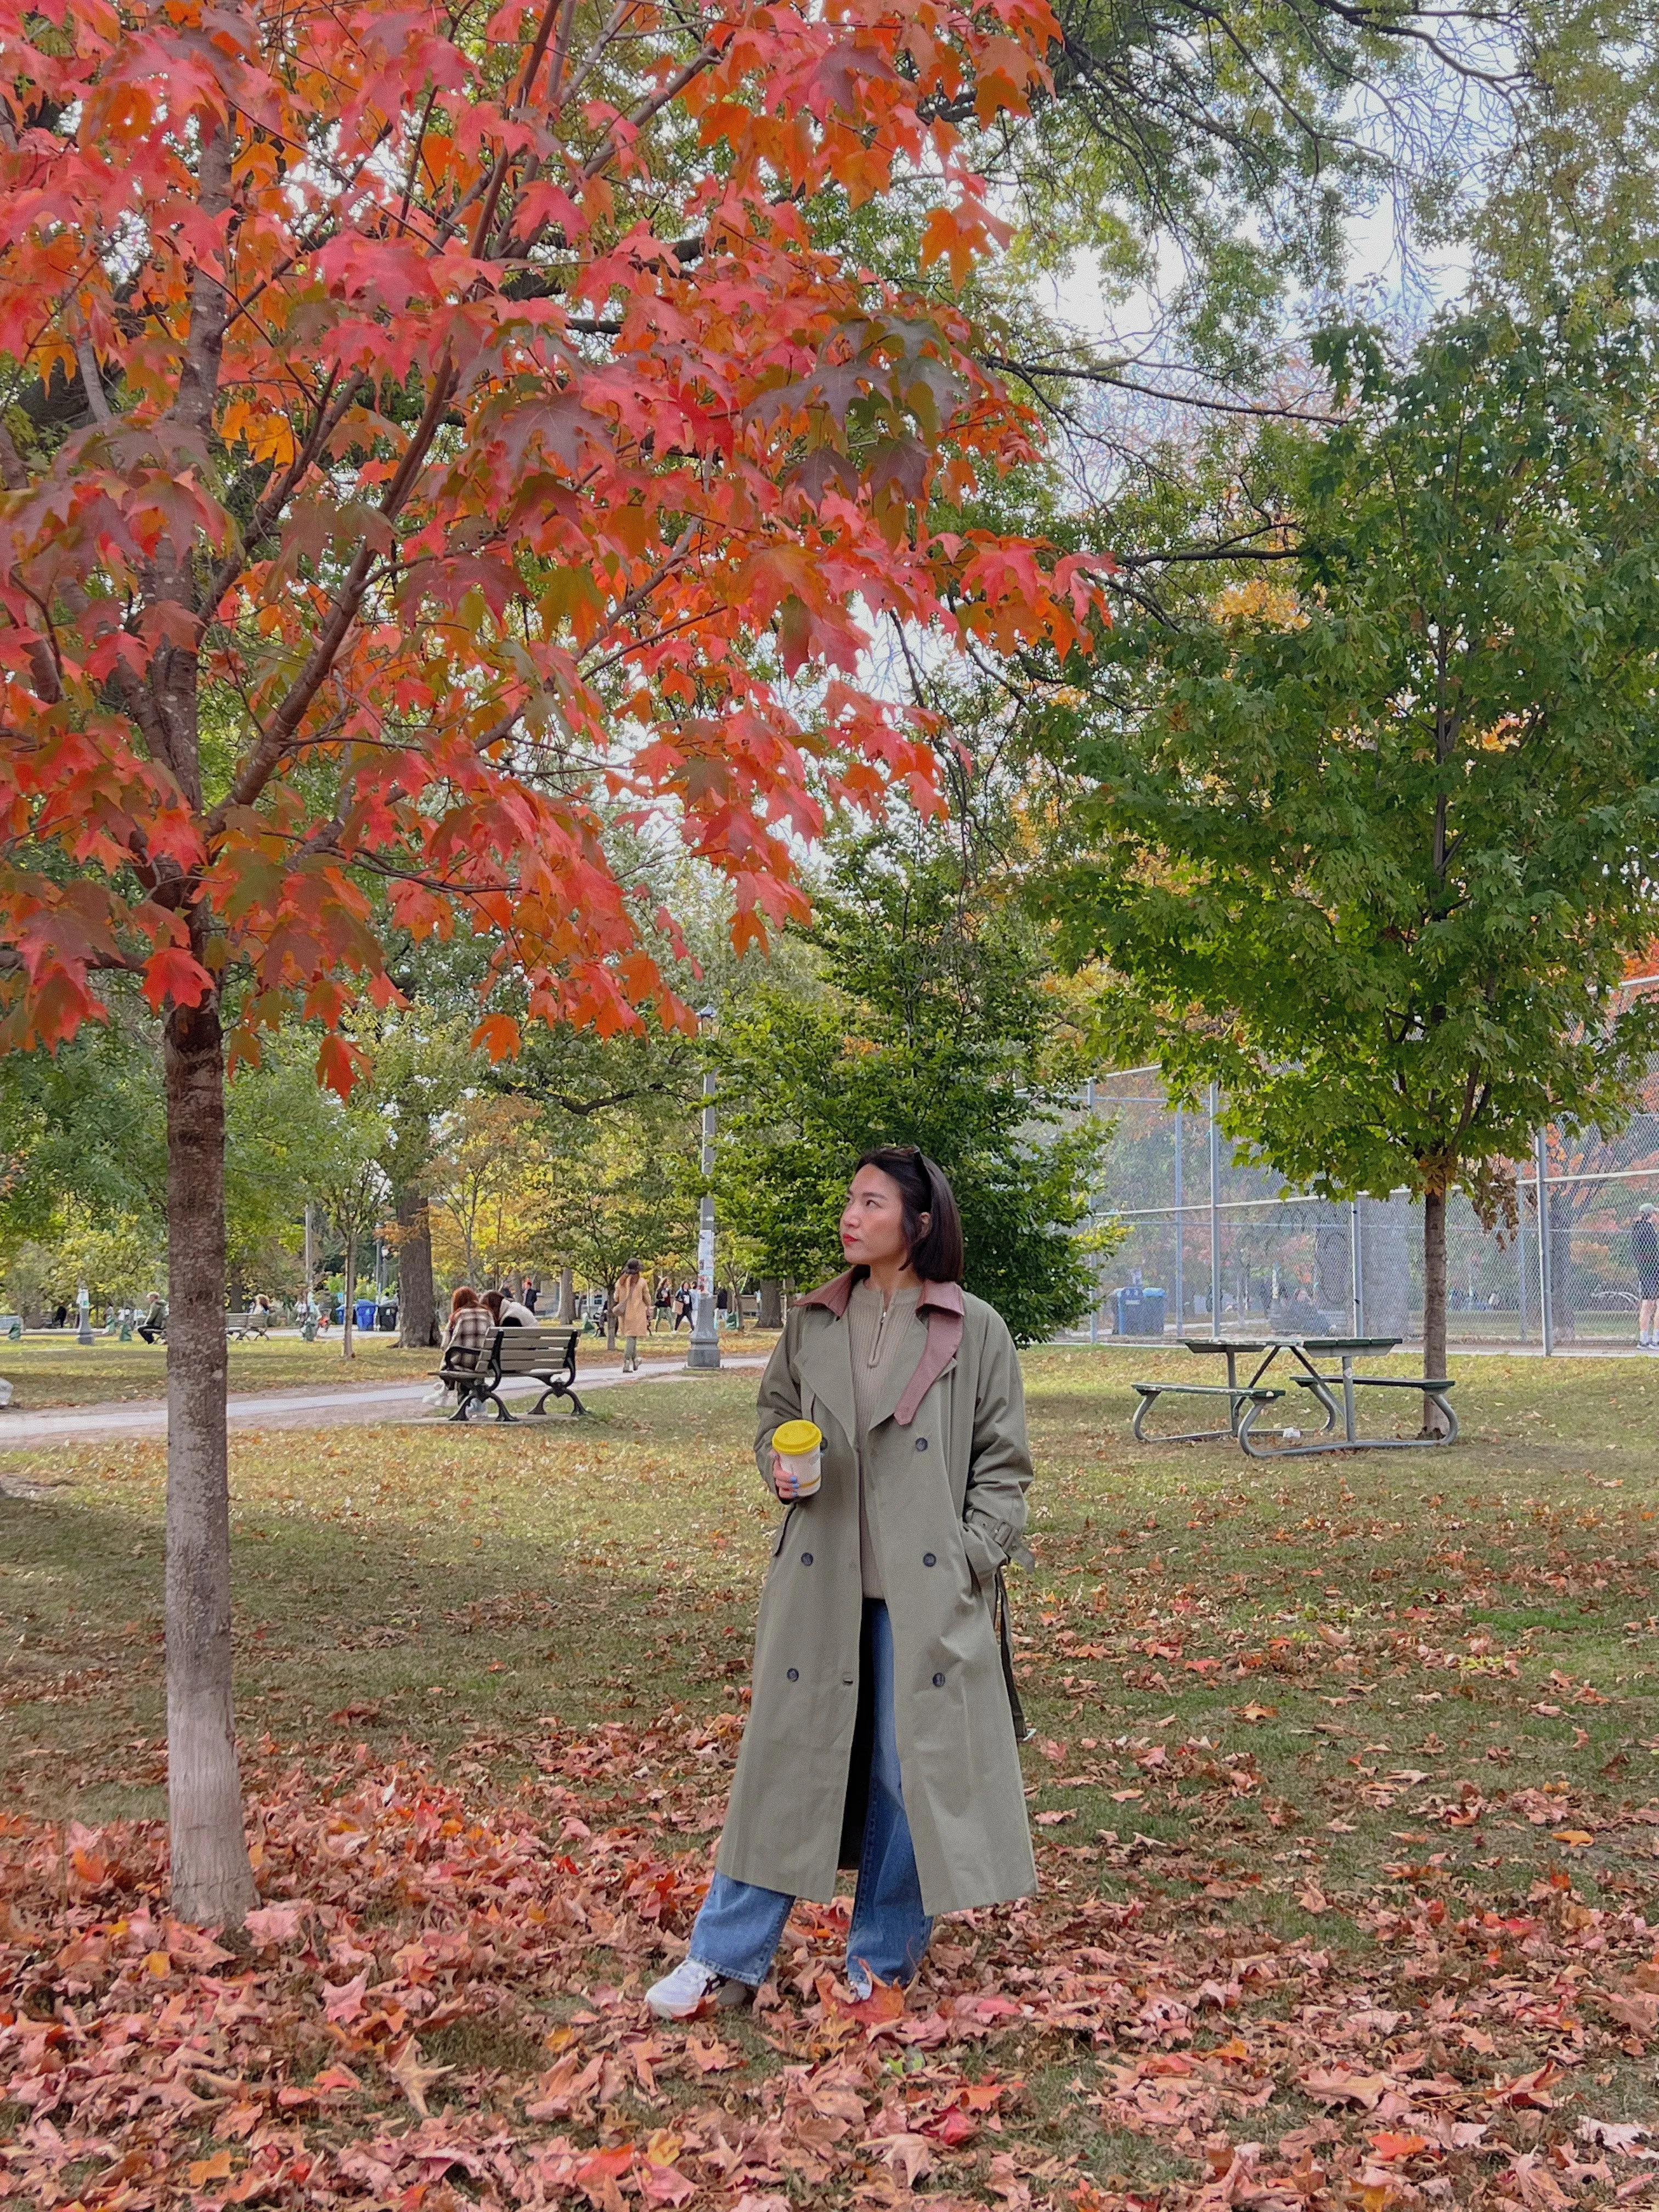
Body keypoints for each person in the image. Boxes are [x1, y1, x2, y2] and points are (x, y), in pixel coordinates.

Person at [646, 1147, 1036, 2021]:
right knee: (782, 1758)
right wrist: (779, 1473)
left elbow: (1005, 1468)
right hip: (819, 1580)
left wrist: (975, 1553)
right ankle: (725, 1957)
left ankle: (882, 1961)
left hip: (925, 1589)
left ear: (919, 1221)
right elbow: (774, 1421)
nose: (850, 1216)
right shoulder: (812, 1323)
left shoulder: (977, 1330)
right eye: (849, 1199)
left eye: (870, 1202)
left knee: (909, 1772)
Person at [613, 1260, 652, 1373]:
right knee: (632, 1337)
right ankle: (626, 1362)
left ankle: (636, 1360)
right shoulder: (642, 1283)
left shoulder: (620, 1283)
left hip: (624, 1314)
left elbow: (616, 1298)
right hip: (637, 1314)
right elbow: (648, 1300)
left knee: (632, 1337)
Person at [1635, 1204, 1659, 1348]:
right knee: (1653, 1304)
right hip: (1654, 1272)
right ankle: (1656, 1339)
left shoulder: (1637, 1229)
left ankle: (1644, 1339)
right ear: (1652, 1215)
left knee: (1647, 1304)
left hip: (1645, 1273)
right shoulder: (1649, 1231)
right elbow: (1652, 1253)